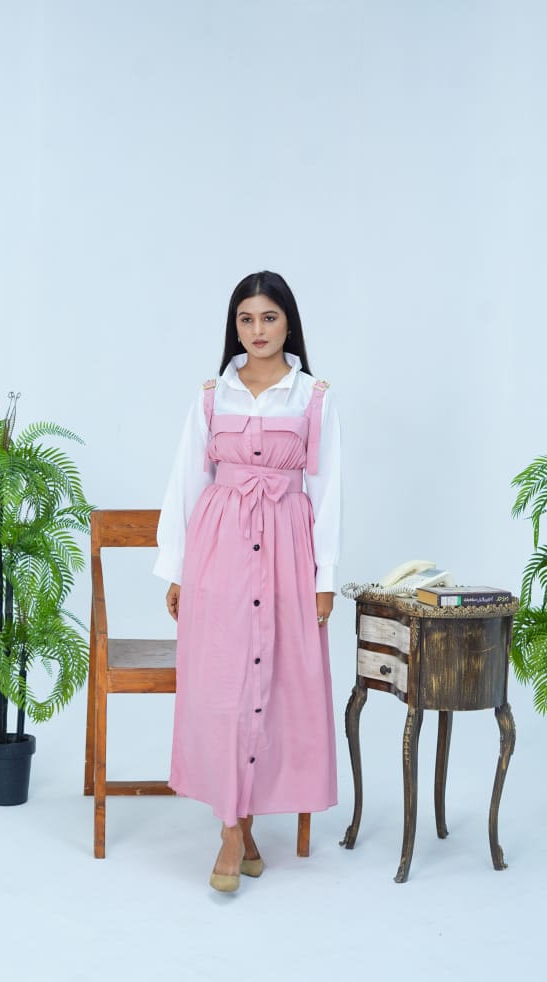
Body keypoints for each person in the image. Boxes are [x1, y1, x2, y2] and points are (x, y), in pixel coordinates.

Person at [154, 271, 341, 893]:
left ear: (289, 322)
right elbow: (187, 481)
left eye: (268, 317)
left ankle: (244, 825)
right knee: (222, 687)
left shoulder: (312, 396)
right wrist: (177, 570)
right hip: (220, 550)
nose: (257, 330)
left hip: (287, 550)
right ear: (234, 326)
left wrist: (325, 578)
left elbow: (328, 491)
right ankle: (232, 830)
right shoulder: (214, 395)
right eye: (245, 318)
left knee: (275, 685)